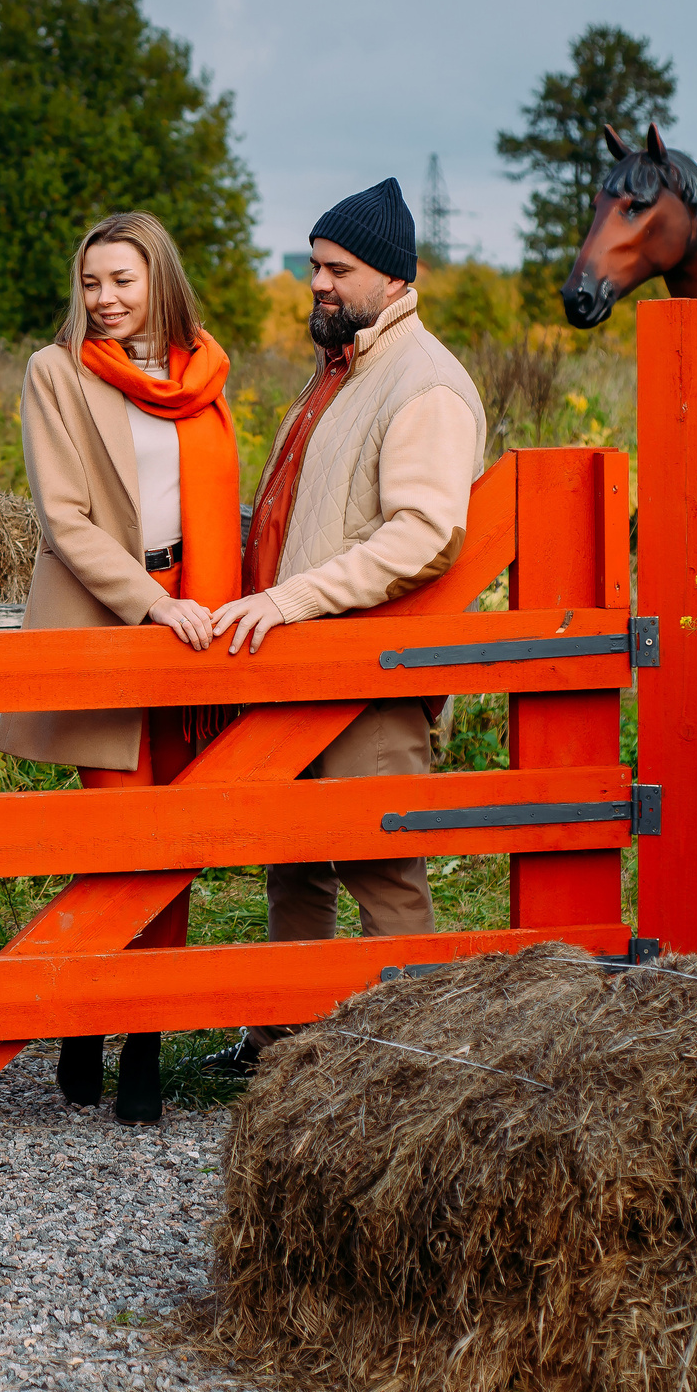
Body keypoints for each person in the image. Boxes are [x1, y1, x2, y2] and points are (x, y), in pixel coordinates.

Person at [200, 178, 486, 1078]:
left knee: (379, 863)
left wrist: (288, 600)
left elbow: (425, 532)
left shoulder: (424, 382)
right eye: (315, 265)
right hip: (302, 665)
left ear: (398, 277)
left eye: (339, 268)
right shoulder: (341, 373)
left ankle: (405, 1061)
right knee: (293, 861)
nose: (318, 283)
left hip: (371, 672)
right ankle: (286, 1045)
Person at [0, 210, 243, 1123]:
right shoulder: (55, 372)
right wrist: (150, 601)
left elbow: (219, 498)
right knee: (118, 830)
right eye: (91, 282)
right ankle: (90, 1012)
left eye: (122, 281)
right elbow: (66, 519)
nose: (104, 299)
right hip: (114, 614)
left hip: (200, 617)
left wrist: (207, 603)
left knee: (174, 838)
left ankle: (146, 1035)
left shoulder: (204, 374)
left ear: (159, 282)